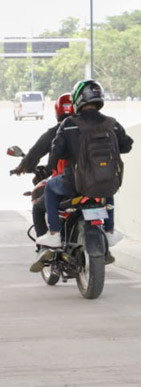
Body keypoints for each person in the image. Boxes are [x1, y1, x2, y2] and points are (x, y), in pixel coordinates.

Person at [36, 80, 132, 253]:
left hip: (75, 182)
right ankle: (109, 230)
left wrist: (49, 168)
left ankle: (54, 233)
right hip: (107, 182)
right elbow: (126, 146)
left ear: (78, 99)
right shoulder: (112, 123)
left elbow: (56, 152)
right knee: (106, 183)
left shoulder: (69, 124)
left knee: (50, 187)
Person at [11, 92, 72, 268]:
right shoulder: (88, 128)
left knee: (39, 207)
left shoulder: (56, 132)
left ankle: (45, 248)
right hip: (91, 182)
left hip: (65, 182)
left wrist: (21, 168)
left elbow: (35, 153)